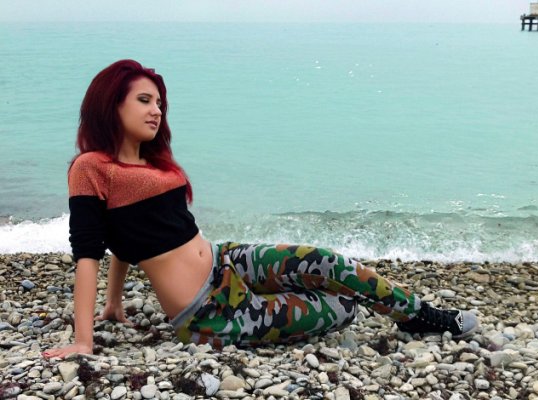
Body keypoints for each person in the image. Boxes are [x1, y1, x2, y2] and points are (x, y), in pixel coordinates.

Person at [42, 60, 479, 359]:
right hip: (209, 312)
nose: (156, 110)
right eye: (144, 100)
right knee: (344, 307)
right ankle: (392, 312)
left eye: (159, 103)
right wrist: (84, 340)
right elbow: (90, 251)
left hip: (227, 260)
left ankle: (420, 316)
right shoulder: (91, 168)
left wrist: (114, 304)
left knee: (330, 263)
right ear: (111, 102)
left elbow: (127, 238)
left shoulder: (154, 164)